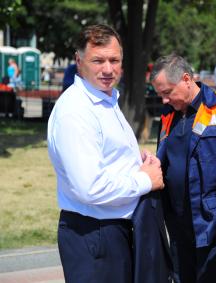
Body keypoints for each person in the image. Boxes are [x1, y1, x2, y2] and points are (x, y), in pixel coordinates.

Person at [47, 24, 165, 283]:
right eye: (98, 60)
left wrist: (136, 161)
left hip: (111, 232)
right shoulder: (76, 112)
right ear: (79, 61)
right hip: (95, 235)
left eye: (115, 60)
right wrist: (145, 181)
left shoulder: (103, 99)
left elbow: (105, 156)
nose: (108, 69)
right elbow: (89, 187)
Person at [150, 54, 216, 283]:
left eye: (167, 92)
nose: (164, 100)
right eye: (160, 95)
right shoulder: (168, 116)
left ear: (187, 79)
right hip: (177, 229)